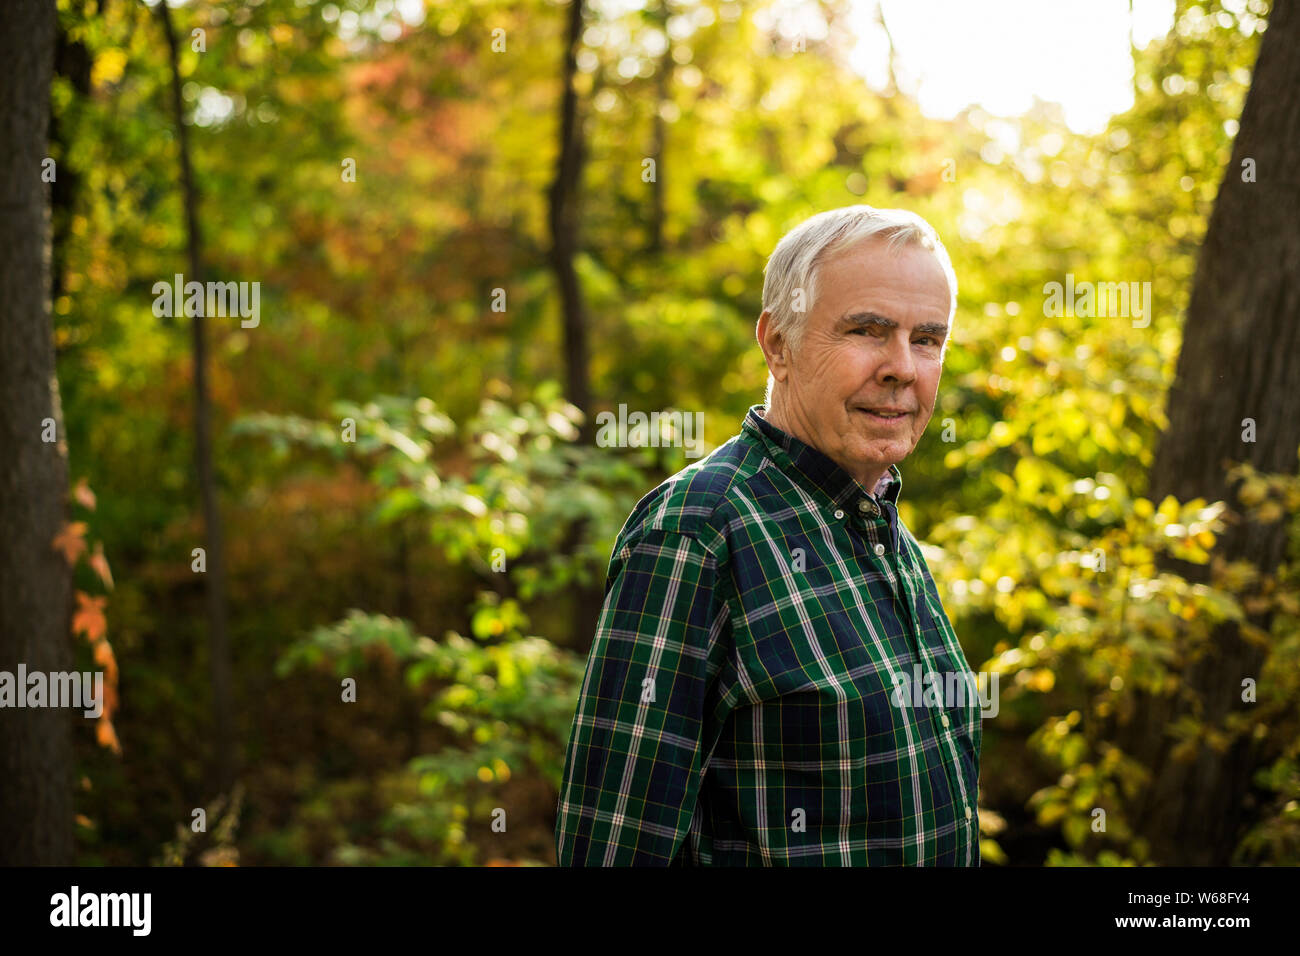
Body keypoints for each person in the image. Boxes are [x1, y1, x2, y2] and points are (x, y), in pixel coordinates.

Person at [555, 205, 981, 865]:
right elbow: (611, 847)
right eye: (867, 330)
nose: (903, 367)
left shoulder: (889, 536)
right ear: (778, 344)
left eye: (927, 339)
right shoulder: (697, 531)